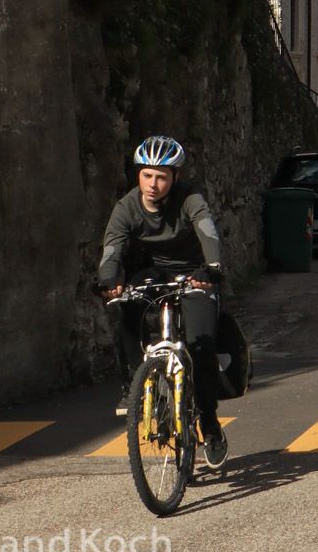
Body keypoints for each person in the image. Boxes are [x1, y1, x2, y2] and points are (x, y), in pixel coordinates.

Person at [98, 135, 229, 470]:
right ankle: (135, 383)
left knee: (201, 346)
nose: (153, 184)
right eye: (147, 175)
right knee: (129, 309)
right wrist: (109, 279)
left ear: (174, 177)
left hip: (194, 273)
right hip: (152, 273)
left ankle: (211, 426)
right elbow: (112, 248)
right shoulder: (127, 206)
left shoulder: (190, 199)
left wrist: (211, 268)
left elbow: (207, 231)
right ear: (138, 175)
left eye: (161, 176)